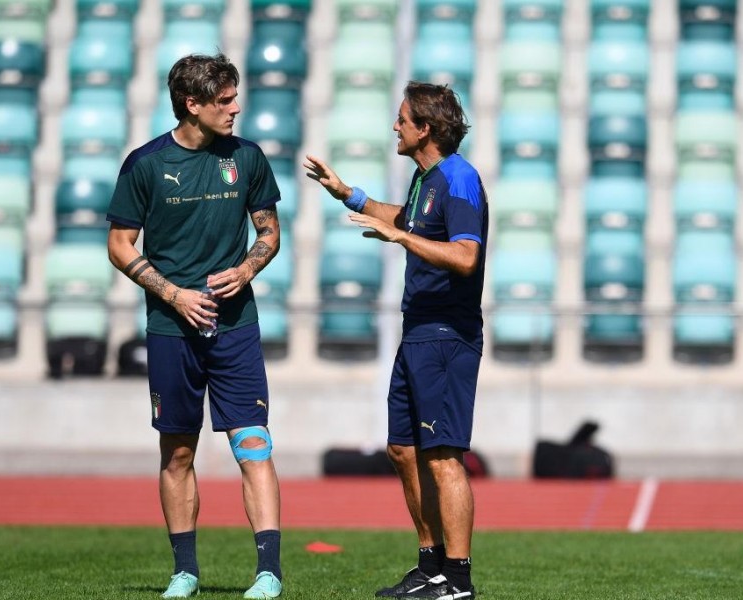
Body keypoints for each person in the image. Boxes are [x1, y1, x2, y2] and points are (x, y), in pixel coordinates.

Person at [106, 53, 284, 599]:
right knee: (177, 452)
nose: (236, 108)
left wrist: (248, 268)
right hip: (170, 327)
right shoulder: (144, 164)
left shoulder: (248, 158)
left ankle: (269, 573)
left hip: (236, 326)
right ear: (193, 104)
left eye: (235, 97)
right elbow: (119, 246)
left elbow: (270, 234)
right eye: (225, 100)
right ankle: (184, 571)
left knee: (253, 444)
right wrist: (174, 294)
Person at [305, 81, 488, 600]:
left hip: (448, 335)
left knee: (442, 456)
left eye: (403, 119)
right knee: (403, 450)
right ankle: (430, 564)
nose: (395, 126)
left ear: (425, 128)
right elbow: (406, 221)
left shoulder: (460, 178)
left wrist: (403, 240)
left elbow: (465, 256)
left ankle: (458, 579)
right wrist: (348, 194)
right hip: (417, 332)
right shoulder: (423, 178)